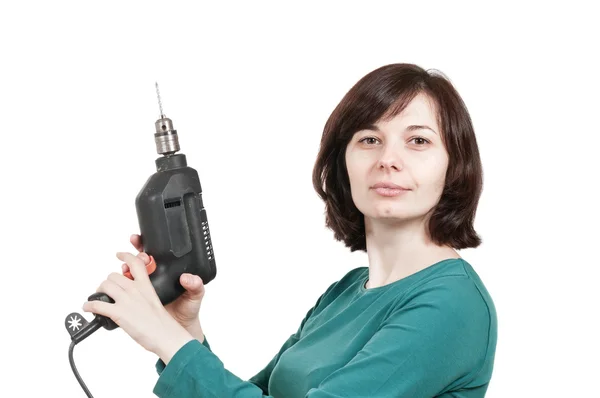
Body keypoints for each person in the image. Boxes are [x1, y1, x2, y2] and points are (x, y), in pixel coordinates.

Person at [83, 63, 498, 397]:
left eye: (418, 141)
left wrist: (167, 342)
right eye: (369, 139)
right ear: (343, 162)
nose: (389, 159)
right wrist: (180, 327)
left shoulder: (452, 305)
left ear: (454, 165)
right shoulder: (345, 292)